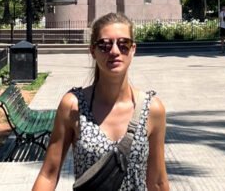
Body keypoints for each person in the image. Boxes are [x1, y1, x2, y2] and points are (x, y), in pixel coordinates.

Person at [33, 13, 169, 191]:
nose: (115, 51)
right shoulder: (74, 106)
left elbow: (158, 182)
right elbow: (48, 174)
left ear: (133, 49)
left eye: (124, 44)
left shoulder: (151, 109)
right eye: (105, 45)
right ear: (93, 51)